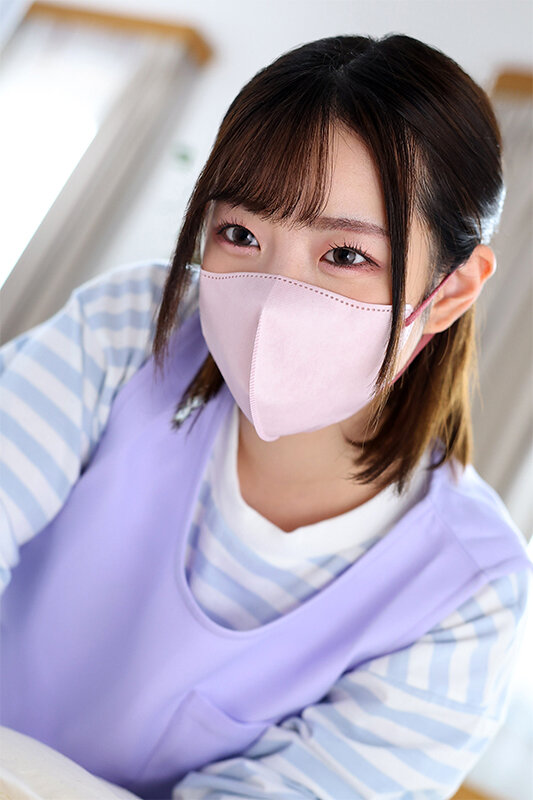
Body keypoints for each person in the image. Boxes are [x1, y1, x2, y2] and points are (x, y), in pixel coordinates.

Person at [0, 32, 532, 800]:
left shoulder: (466, 593)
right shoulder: (130, 330)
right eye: (240, 235)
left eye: (344, 256)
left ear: (448, 292)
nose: (274, 298)